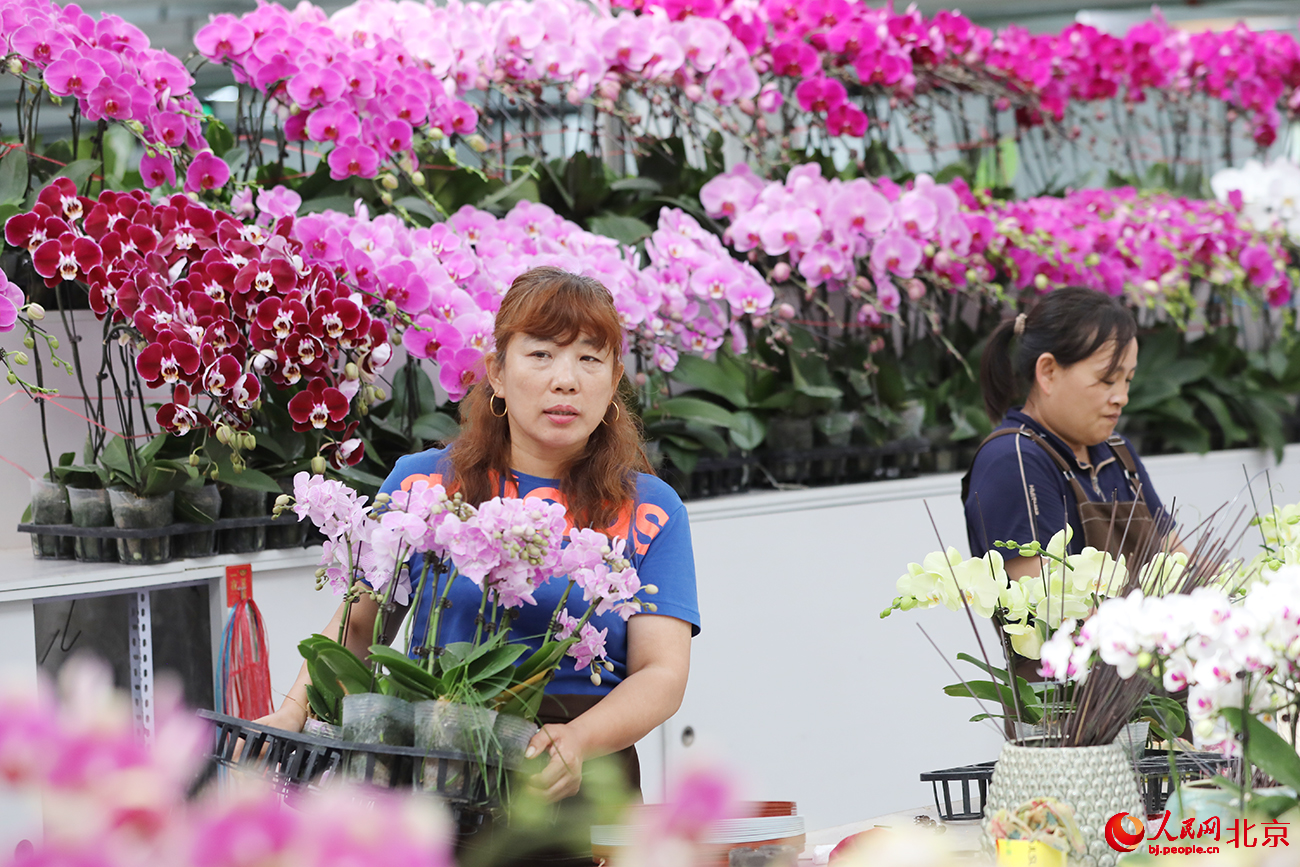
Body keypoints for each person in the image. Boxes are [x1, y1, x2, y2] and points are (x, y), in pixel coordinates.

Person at [260, 267, 699, 860]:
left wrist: (578, 741)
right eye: (541, 354)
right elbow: (360, 628)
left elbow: (662, 674)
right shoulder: (425, 483)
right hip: (433, 771)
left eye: (590, 360)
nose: (565, 380)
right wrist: (292, 713)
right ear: (497, 371)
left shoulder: (649, 507)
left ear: (615, 379)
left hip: (570, 776)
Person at [962, 287, 1172, 584]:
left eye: (1128, 380)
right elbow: (1051, 609)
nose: (1122, 397)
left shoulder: (1118, 453)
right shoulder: (1014, 461)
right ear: (1048, 372)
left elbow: (1180, 563)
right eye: (1107, 379)